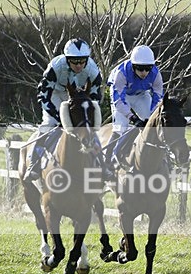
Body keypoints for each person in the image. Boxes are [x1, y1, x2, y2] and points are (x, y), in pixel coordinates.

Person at [22, 37, 104, 183]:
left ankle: (103, 166)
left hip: (80, 97)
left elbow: (95, 96)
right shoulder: (56, 66)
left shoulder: (93, 70)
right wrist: (57, 116)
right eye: (74, 61)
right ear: (67, 59)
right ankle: (33, 165)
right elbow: (43, 94)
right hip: (55, 94)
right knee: (49, 124)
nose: (78, 65)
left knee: (89, 129)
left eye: (82, 61)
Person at [103, 45, 164, 177]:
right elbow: (118, 101)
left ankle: (162, 159)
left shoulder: (156, 74)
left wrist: (150, 117)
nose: (144, 72)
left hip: (141, 95)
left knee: (151, 125)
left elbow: (158, 97)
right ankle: (107, 161)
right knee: (120, 127)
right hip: (122, 98)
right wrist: (133, 118)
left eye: (147, 68)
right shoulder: (121, 73)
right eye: (140, 68)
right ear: (132, 65)